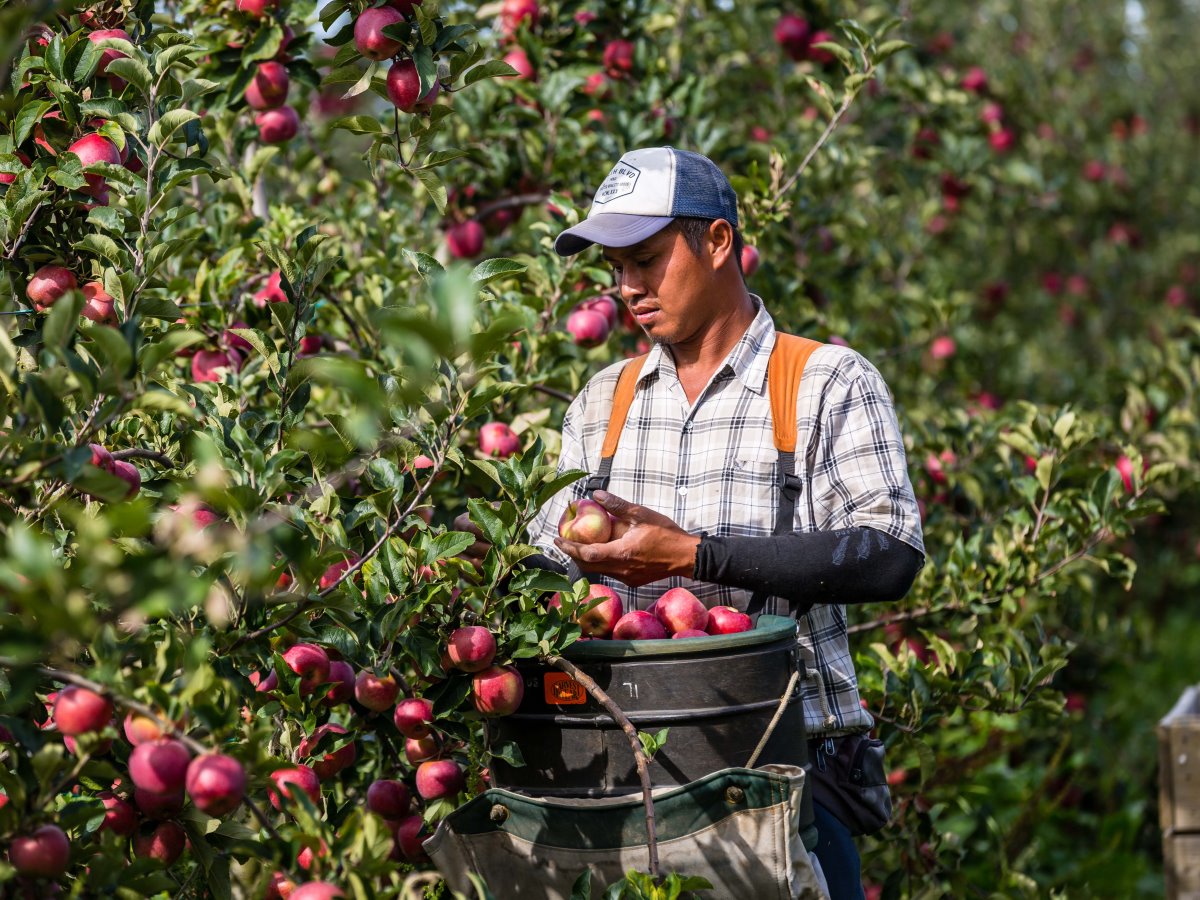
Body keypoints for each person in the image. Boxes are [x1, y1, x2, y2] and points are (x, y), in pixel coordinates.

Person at [465, 146, 925, 899]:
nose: (628, 289)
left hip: (783, 792)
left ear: (717, 243)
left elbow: (889, 554)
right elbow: (547, 566)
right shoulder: (602, 401)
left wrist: (693, 556)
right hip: (623, 790)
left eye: (646, 260)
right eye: (615, 268)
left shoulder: (823, 382)